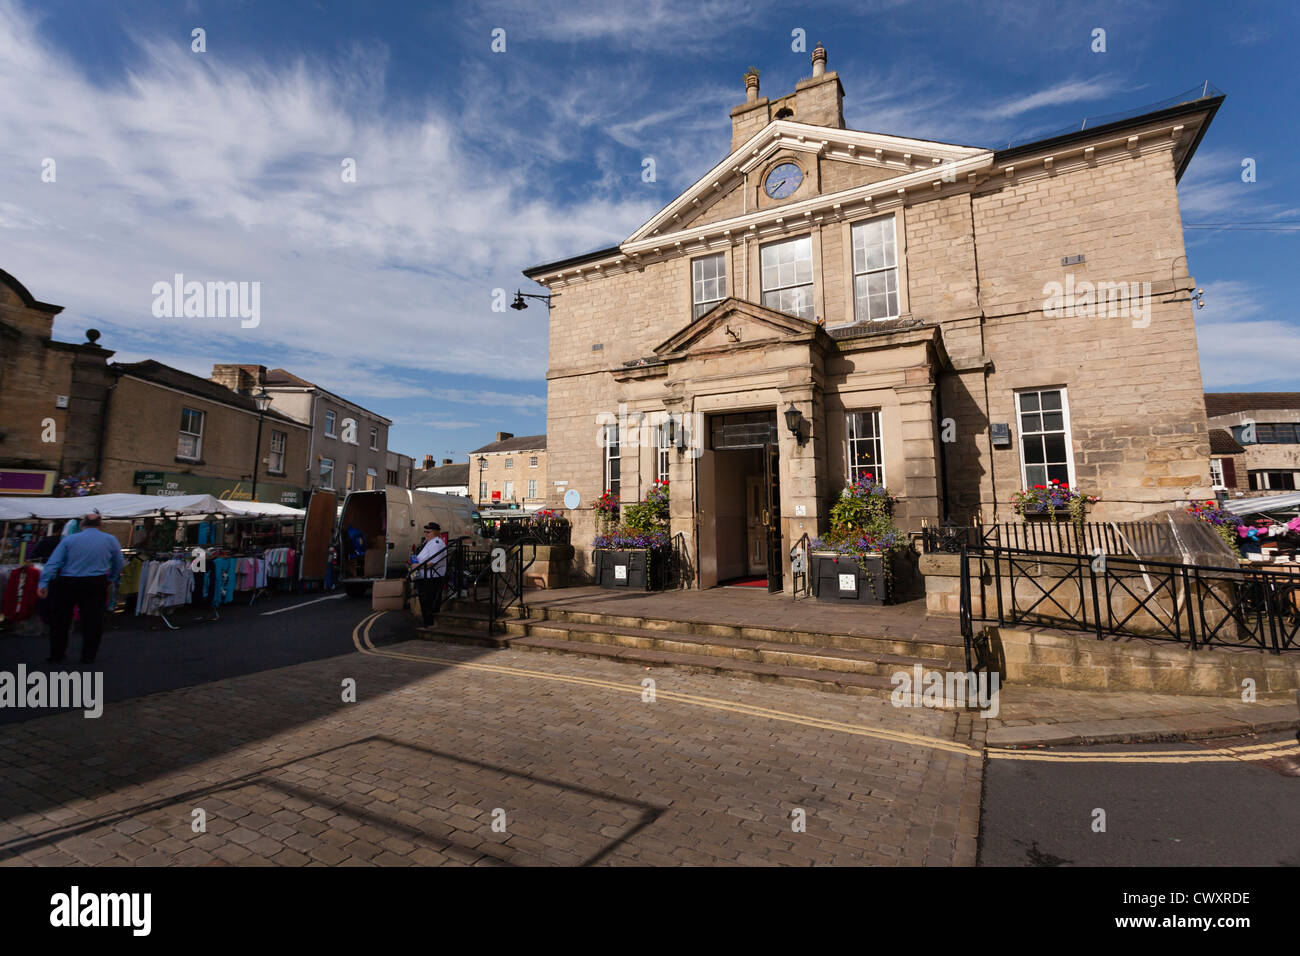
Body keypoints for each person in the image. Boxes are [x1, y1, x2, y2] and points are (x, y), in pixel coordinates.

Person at [36, 512, 124, 664]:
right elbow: (119, 562)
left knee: (61, 620)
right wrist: (111, 578)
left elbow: (54, 562)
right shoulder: (110, 540)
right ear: (100, 525)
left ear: (82, 525)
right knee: (93, 621)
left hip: (68, 581)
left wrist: (43, 582)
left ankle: (57, 654)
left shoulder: (69, 539)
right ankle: (88, 656)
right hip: (96, 582)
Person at [409, 521, 447, 626]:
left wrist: (417, 566)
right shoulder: (429, 542)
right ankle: (428, 623)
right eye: (425, 532)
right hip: (426, 577)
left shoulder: (437, 543)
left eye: (428, 532)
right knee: (425, 603)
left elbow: (432, 563)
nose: (425, 534)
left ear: (435, 532)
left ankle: (430, 624)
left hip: (431, 578)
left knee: (429, 603)